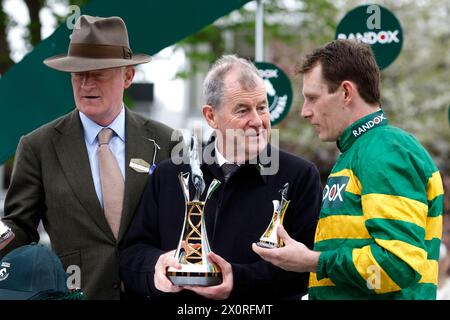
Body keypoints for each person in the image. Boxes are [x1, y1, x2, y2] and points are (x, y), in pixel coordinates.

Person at [0, 15, 179, 300]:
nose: (85, 84)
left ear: (128, 76)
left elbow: (182, 227)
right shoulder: (38, 147)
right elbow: (19, 230)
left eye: (98, 73)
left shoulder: (167, 141)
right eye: (78, 73)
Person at [119, 55, 322, 300]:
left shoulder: (299, 177)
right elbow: (131, 255)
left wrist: (236, 279)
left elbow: (306, 271)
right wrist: (156, 267)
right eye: (242, 110)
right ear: (211, 116)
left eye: (262, 107)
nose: (257, 122)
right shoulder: (169, 175)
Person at [253, 39, 445, 300]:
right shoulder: (360, 151)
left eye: (312, 98)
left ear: (345, 92)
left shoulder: (385, 150)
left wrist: (313, 261)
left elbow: (399, 264)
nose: (305, 112)